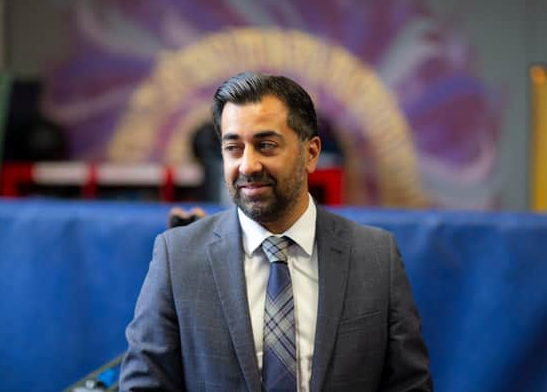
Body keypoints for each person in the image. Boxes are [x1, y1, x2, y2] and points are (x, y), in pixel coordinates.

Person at [119, 72, 432, 391]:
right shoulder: (178, 257)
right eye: (233, 148)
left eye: (265, 146)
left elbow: (409, 386)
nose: (247, 165)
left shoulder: (376, 257)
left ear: (311, 154)